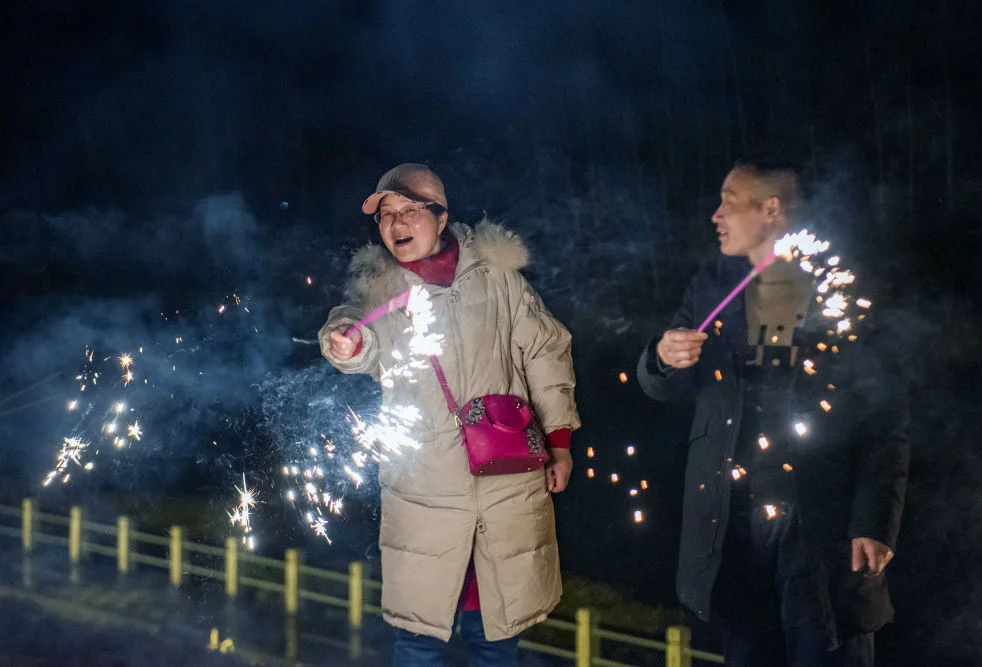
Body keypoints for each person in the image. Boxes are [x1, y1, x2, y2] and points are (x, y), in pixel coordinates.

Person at [637, 161, 909, 666]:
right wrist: (659, 356)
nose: (715, 214)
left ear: (771, 211)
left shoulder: (836, 291)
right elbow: (664, 386)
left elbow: (884, 420)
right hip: (733, 530)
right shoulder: (710, 286)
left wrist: (873, 522)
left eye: (729, 200)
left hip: (819, 529)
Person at [318, 163, 579, 666]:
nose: (396, 224)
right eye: (386, 215)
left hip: (507, 489)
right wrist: (345, 343)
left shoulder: (498, 278)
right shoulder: (379, 291)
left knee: (496, 640)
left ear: (441, 217)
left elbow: (545, 352)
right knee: (418, 642)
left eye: (410, 211)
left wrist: (560, 441)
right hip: (424, 497)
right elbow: (355, 332)